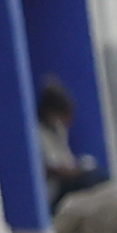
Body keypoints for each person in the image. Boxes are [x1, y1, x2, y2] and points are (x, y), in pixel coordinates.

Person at [30, 75, 106, 206]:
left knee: (99, 178)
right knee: (89, 183)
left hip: (66, 178)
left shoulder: (58, 131)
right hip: (53, 188)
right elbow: (44, 167)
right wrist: (65, 172)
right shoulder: (37, 133)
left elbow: (65, 158)